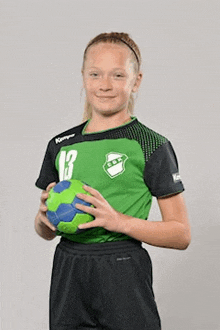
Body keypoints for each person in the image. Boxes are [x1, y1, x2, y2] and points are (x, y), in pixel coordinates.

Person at [35, 32, 191, 330]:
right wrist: (43, 220)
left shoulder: (150, 144)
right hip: (69, 267)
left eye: (117, 75)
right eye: (95, 74)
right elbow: (45, 232)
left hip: (122, 267)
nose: (105, 85)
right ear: (83, 77)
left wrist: (118, 221)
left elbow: (181, 233)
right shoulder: (61, 144)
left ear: (136, 80)